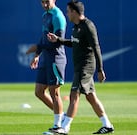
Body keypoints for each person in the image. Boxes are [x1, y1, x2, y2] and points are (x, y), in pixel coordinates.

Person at [47, 1, 114, 134]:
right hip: (79, 67)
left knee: (74, 95)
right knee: (90, 97)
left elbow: (96, 47)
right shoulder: (76, 27)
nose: (67, 14)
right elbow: (74, 43)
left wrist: (100, 69)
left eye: (68, 11)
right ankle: (107, 125)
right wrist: (58, 39)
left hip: (86, 67)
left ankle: (65, 127)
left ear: (75, 12)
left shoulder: (88, 26)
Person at [25, 0, 67, 133]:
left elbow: (58, 43)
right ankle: (63, 117)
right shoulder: (45, 15)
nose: (44, 5)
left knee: (54, 93)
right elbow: (44, 38)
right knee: (39, 91)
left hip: (56, 59)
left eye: (47, 1)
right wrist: (37, 55)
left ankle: (58, 126)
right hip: (46, 59)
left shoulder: (58, 16)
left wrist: (37, 47)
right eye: (42, 2)